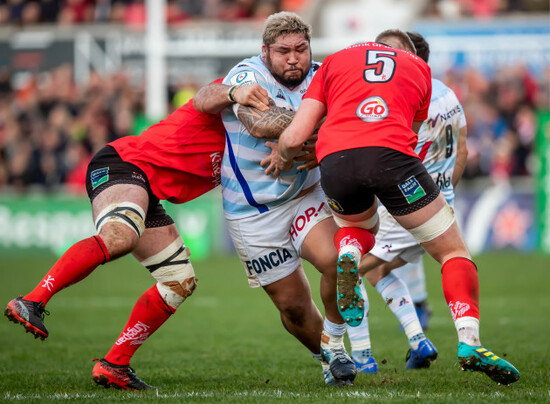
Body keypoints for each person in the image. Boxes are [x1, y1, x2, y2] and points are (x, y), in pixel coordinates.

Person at [275, 29, 520, 385]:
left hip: (336, 160)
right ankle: (468, 340)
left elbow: (295, 137)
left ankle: (349, 256)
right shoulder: (422, 72)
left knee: (359, 230)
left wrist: (281, 156)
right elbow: (410, 132)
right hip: (395, 163)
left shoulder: (334, 62)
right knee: (453, 252)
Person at [4, 80, 270, 391]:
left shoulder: (251, 147)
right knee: (121, 237)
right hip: (126, 163)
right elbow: (206, 96)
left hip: (150, 189)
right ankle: (32, 301)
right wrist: (236, 93)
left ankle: (115, 363)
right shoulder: (229, 100)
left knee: (178, 281)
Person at [194, 11, 358, 386]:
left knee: (336, 260)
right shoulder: (248, 75)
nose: (294, 58)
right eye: (283, 51)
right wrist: (314, 128)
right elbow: (258, 123)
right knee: (294, 308)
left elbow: (351, 123)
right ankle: (327, 354)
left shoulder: (323, 75)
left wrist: (315, 140)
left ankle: (336, 344)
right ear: (265, 51)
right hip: (251, 212)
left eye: (301, 49)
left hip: (305, 193)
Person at [346, 31, 469, 373]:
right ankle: (418, 341)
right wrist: (442, 197)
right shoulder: (448, 95)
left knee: (342, 270)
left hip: (407, 206)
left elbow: (392, 156)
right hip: (439, 205)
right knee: (378, 271)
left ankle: (361, 355)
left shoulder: (407, 100)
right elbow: (462, 152)